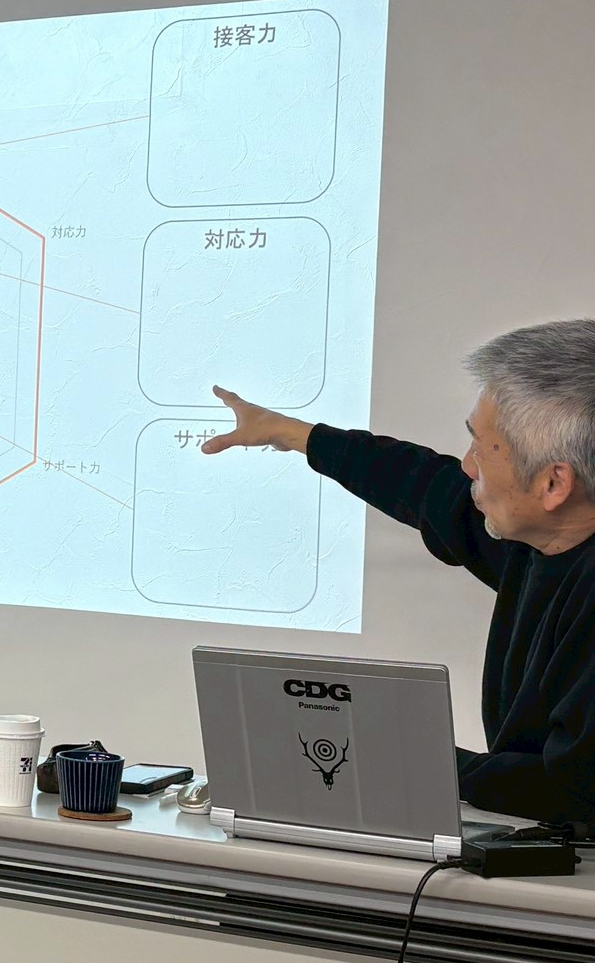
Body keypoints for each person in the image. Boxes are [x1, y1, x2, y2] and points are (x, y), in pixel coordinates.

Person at [202, 319, 595, 824]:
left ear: (554, 484)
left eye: (481, 447)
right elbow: (423, 485)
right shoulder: (546, 538)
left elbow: (569, 788)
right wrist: (294, 435)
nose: (468, 466)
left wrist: (402, 754)